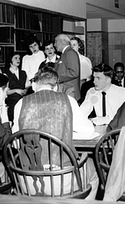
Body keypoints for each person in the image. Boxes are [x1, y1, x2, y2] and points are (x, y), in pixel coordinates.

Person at [12, 66, 98, 199]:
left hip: (29, 181)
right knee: (93, 171)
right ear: (56, 86)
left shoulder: (20, 103)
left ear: (34, 85)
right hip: (61, 178)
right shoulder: (68, 101)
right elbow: (87, 132)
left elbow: (15, 144)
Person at [54, 34, 81, 101]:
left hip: (70, 93)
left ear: (62, 41)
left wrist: (56, 78)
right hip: (65, 92)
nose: (54, 44)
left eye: (56, 41)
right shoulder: (65, 54)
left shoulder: (70, 53)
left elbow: (73, 72)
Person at [4, 52, 28, 124]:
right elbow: (6, 91)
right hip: (12, 102)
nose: (18, 60)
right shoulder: (5, 74)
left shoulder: (23, 73)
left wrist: (26, 90)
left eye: (19, 58)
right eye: (16, 58)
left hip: (23, 101)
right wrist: (16, 91)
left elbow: (28, 85)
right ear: (10, 60)